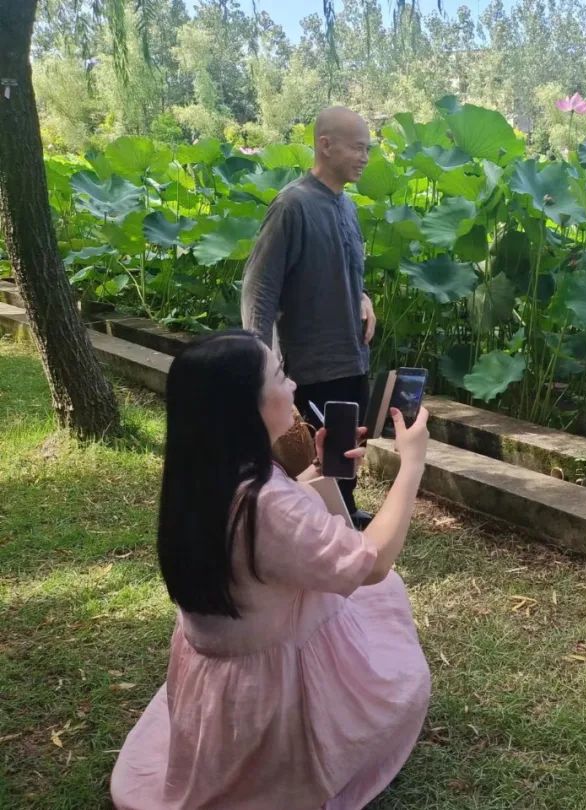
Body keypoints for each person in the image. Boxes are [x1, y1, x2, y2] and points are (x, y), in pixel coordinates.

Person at [111, 330, 431, 809]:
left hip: (219, 677)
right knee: (403, 670)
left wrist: (323, 469)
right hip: (274, 689)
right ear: (248, 405)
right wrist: (412, 465)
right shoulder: (267, 504)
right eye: (280, 375)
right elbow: (373, 562)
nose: (294, 384)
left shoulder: (204, 473)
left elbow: (271, 526)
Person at [242, 106, 376, 526]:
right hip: (311, 363)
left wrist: (363, 297)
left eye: (367, 149)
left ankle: (344, 513)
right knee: (316, 451)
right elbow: (259, 289)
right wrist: (259, 365)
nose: (365, 157)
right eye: (357, 147)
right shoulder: (292, 206)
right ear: (325, 145)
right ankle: (314, 522)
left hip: (352, 355)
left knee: (347, 445)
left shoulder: (348, 207)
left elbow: (342, 267)